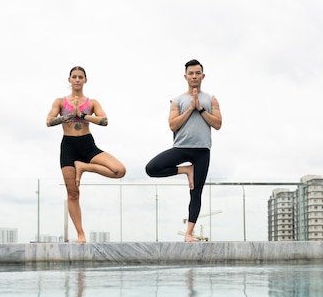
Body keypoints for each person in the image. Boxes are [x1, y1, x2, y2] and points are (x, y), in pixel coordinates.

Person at [46, 66, 126, 243]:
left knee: (119, 170)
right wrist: (68, 116)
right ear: (69, 80)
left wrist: (82, 115)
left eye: (80, 77)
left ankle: (84, 167)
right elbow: (49, 121)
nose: (76, 79)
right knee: (72, 193)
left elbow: (104, 121)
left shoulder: (92, 103)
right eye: (73, 77)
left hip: (87, 145)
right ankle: (80, 234)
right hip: (68, 146)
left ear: (85, 80)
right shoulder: (60, 102)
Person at [145, 59, 222, 242]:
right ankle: (186, 170)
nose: (194, 76)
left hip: (202, 150)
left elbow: (218, 124)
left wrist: (201, 109)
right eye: (191, 73)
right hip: (181, 148)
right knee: (151, 168)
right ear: (185, 76)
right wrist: (190, 109)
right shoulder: (177, 100)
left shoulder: (211, 99)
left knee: (196, 192)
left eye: (197, 73)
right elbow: (173, 125)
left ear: (202, 76)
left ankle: (188, 233)